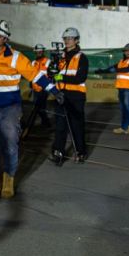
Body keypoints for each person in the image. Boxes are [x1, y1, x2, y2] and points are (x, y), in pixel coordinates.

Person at [0, 19, 61, 197]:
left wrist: (53, 89)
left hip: (10, 109)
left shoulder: (16, 57)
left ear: (5, 39)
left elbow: (35, 75)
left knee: (10, 146)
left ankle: (8, 179)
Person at [50, 27, 88, 165]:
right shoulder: (60, 57)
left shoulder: (81, 57)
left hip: (76, 97)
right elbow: (52, 75)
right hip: (61, 95)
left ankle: (80, 152)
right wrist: (52, 71)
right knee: (60, 126)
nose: (67, 41)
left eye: (70, 38)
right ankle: (58, 151)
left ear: (76, 40)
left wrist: (59, 76)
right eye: (65, 38)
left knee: (76, 126)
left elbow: (80, 78)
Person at [96, 43, 129, 135]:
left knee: (127, 104)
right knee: (123, 107)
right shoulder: (121, 61)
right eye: (126, 50)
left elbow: (126, 70)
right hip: (121, 87)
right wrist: (101, 71)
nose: (128, 52)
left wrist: (114, 70)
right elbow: (112, 68)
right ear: (124, 52)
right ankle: (124, 127)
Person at [30, 44, 52, 128]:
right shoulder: (33, 62)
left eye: (40, 51)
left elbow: (51, 75)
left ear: (43, 51)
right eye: (37, 52)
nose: (38, 53)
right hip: (35, 89)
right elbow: (31, 75)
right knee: (38, 107)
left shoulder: (48, 61)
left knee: (39, 106)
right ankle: (45, 122)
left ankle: (45, 122)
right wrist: (31, 86)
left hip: (44, 88)